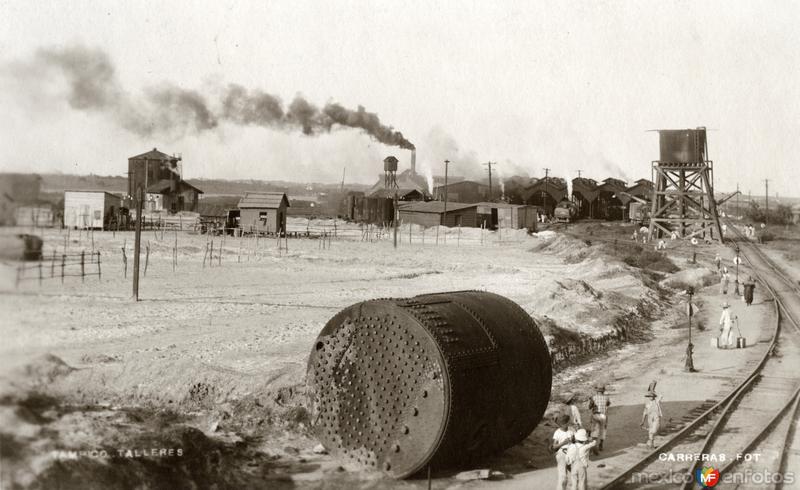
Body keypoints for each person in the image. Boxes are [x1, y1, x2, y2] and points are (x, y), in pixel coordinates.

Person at [551, 414, 574, 490]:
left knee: (577, 474)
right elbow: (554, 447)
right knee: (563, 477)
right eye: (563, 424)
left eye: (566, 423)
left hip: (571, 454)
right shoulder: (557, 432)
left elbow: (575, 441)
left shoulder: (571, 430)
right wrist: (563, 443)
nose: (564, 425)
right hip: (562, 454)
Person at [588, 384, 610, 452]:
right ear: (603, 391)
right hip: (603, 415)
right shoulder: (606, 397)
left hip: (595, 415)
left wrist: (591, 401)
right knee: (603, 430)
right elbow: (608, 404)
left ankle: (594, 445)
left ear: (597, 391)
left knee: (595, 430)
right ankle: (601, 444)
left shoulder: (593, 397)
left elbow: (589, 407)